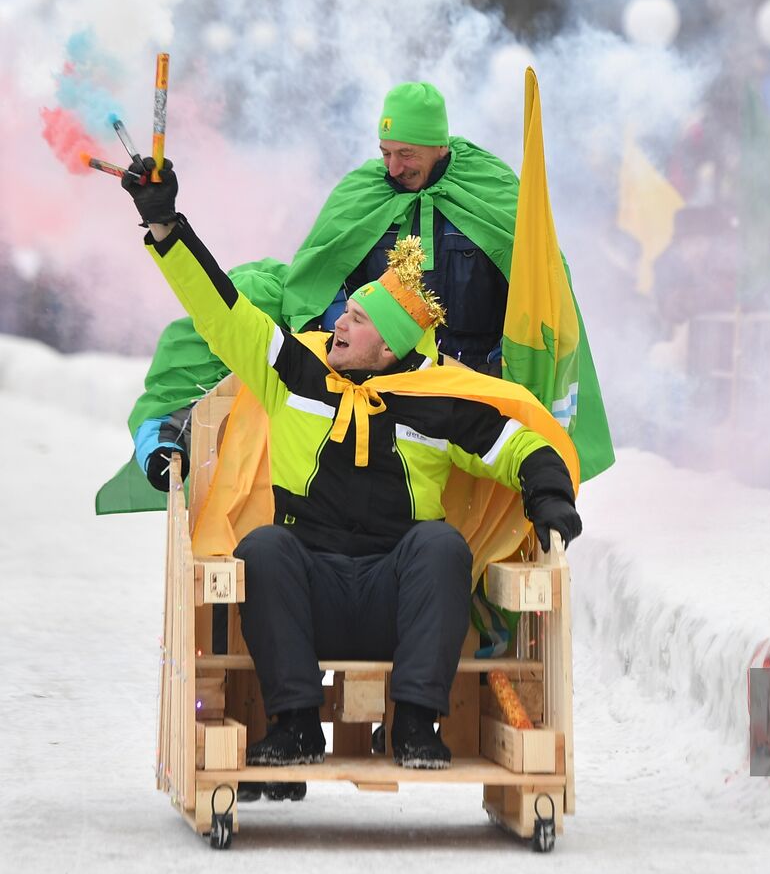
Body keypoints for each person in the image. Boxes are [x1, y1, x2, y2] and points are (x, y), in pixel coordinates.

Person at [120, 156, 583, 770]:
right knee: (263, 548)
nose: (338, 322)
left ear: (389, 347)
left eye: (357, 320)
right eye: (346, 312)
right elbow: (221, 310)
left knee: (442, 547)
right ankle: (295, 725)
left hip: (398, 601)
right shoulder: (294, 370)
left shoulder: (438, 400)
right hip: (308, 594)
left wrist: (550, 495)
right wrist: (164, 225)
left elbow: (519, 445)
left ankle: (417, 724)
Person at [110, 80, 612, 500]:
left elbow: (535, 302)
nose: (392, 167)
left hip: (468, 385)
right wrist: (342, 346)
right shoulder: (364, 191)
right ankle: (173, 434)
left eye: (406, 154)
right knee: (248, 299)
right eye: (385, 153)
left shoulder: (494, 192)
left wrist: (488, 377)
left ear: (440, 145)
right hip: (375, 378)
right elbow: (319, 284)